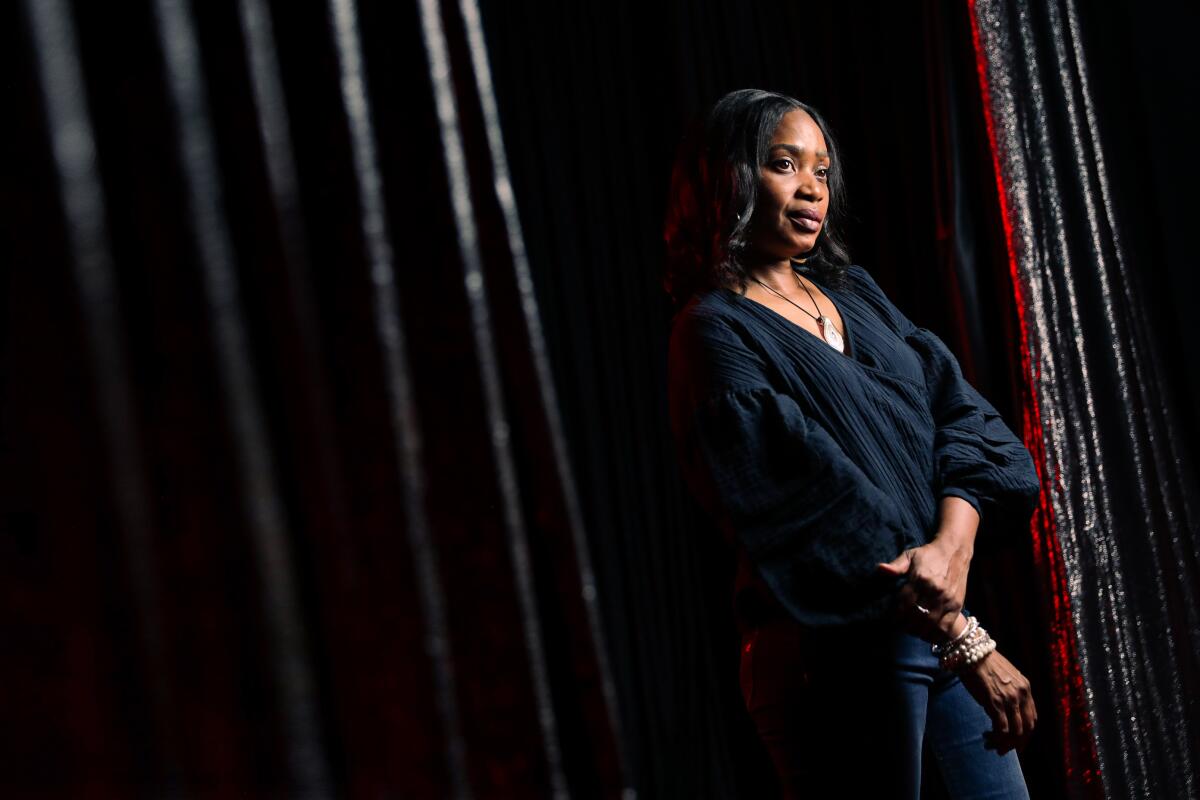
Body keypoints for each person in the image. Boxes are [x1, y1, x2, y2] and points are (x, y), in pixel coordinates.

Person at [664, 88, 1042, 798]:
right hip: (831, 651)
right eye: (785, 165)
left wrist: (951, 550)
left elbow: (968, 423)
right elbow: (822, 505)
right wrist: (965, 634)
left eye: (823, 170)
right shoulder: (714, 330)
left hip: (933, 625)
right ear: (733, 179)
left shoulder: (855, 293)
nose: (812, 188)